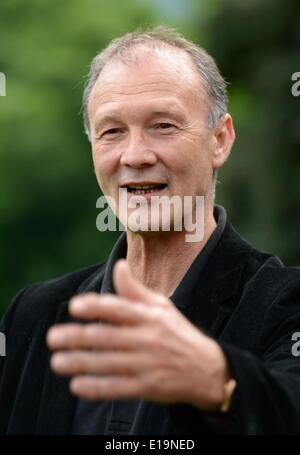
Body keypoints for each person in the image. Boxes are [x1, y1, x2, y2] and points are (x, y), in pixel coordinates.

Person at [1, 26, 300, 435]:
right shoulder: (34, 315)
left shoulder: (286, 305)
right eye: (112, 132)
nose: (135, 155)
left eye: (163, 125)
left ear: (220, 141)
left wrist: (220, 383)